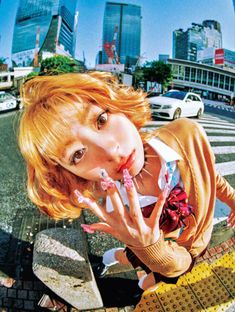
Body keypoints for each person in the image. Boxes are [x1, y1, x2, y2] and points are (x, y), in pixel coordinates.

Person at [18, 71, 235, 296]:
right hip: (168, 255)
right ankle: (112, 258)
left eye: (101, 119)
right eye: (78, 154)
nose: (111, 151)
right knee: (144, 273)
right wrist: (150, 247)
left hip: (196, 240)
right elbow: (178, 263)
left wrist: (232, 199)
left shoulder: (186, 135)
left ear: (118, 105)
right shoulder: (119, 211)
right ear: (71, 175)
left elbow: (209, 175)